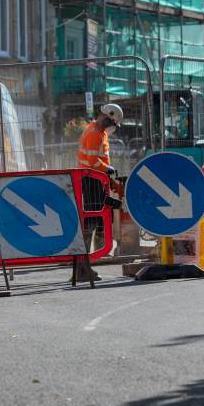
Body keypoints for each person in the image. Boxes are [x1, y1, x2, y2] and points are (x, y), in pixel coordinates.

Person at [73, 103, 124, 282]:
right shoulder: (94, 133)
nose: (113, 127)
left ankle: (86, 264)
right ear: (107, 117)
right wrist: (108, 170)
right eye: (112, 122)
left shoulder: (99, 132)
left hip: (96, 180)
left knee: (97, 221)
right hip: (91, 180)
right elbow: (93, 161)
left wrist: (109, 179)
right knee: (91, 223)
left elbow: (100, 160)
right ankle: (82, 267)